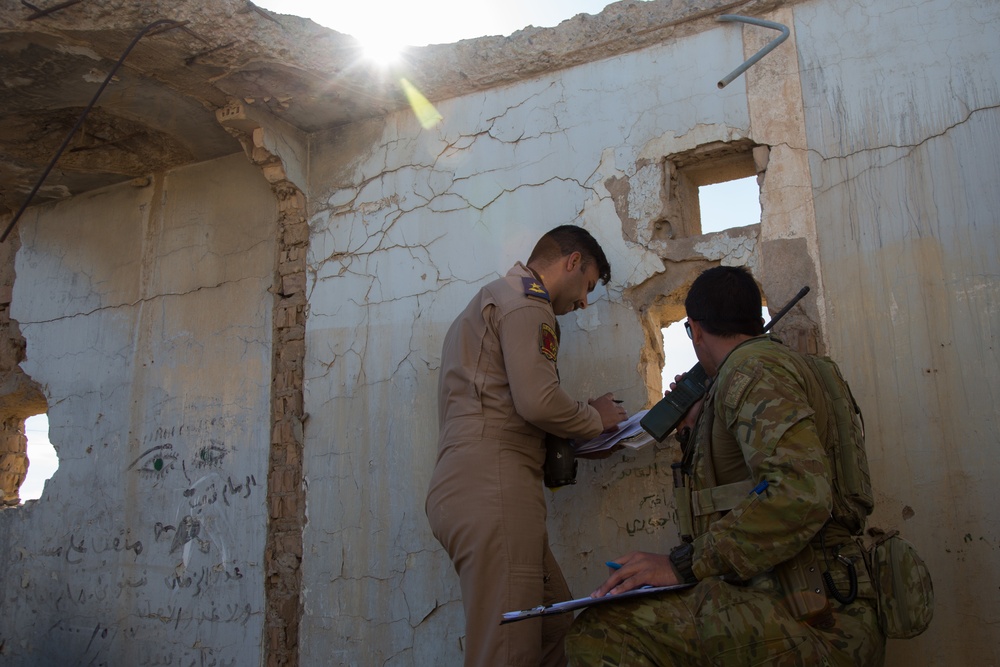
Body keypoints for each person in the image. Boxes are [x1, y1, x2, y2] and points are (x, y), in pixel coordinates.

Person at [566, 266, 885, 666]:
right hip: (816, 595)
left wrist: (682, 565)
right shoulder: (780, 368)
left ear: (696, 330)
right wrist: (699, 426)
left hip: (815, 614)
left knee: (603, 632)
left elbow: (800, 494)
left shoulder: (750, 371)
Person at [426, 224, 626, 667]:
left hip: (478, 485)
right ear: (572, 262)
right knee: (508, 652)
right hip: (493, 488)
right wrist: (596, 418)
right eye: (587, 286)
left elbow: (506, 410)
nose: (584, 301)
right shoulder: (527, 303)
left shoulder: (491, 300)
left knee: (555, 629)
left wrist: (581, 437)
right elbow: (537, 402)